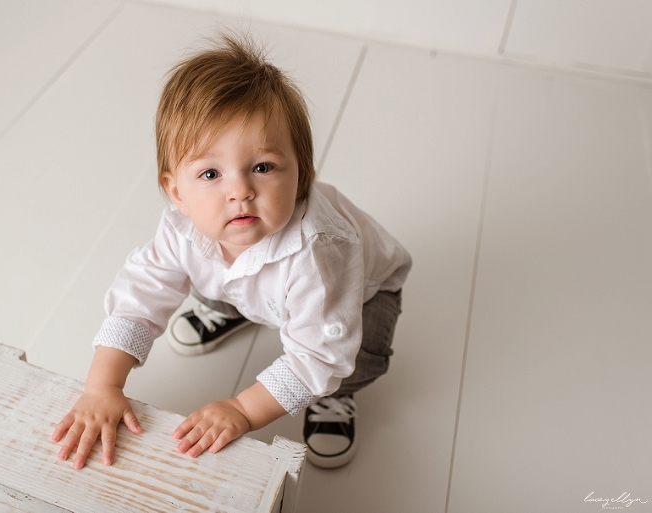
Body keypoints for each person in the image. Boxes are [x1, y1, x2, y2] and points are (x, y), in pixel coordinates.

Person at [51, 33, 411, 470]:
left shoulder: (319, 254)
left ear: (301, 175)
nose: (240, 191)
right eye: (210, 174)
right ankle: (235, 309)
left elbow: (319, 354)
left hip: (361, 296)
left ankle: (336, 396)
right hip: (253, 285)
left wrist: (243, 409)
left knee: (353, 356)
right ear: (176, 192)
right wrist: (102, 386)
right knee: (200, 270)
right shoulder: (185, 226)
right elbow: (141, 294)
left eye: (262, 167)